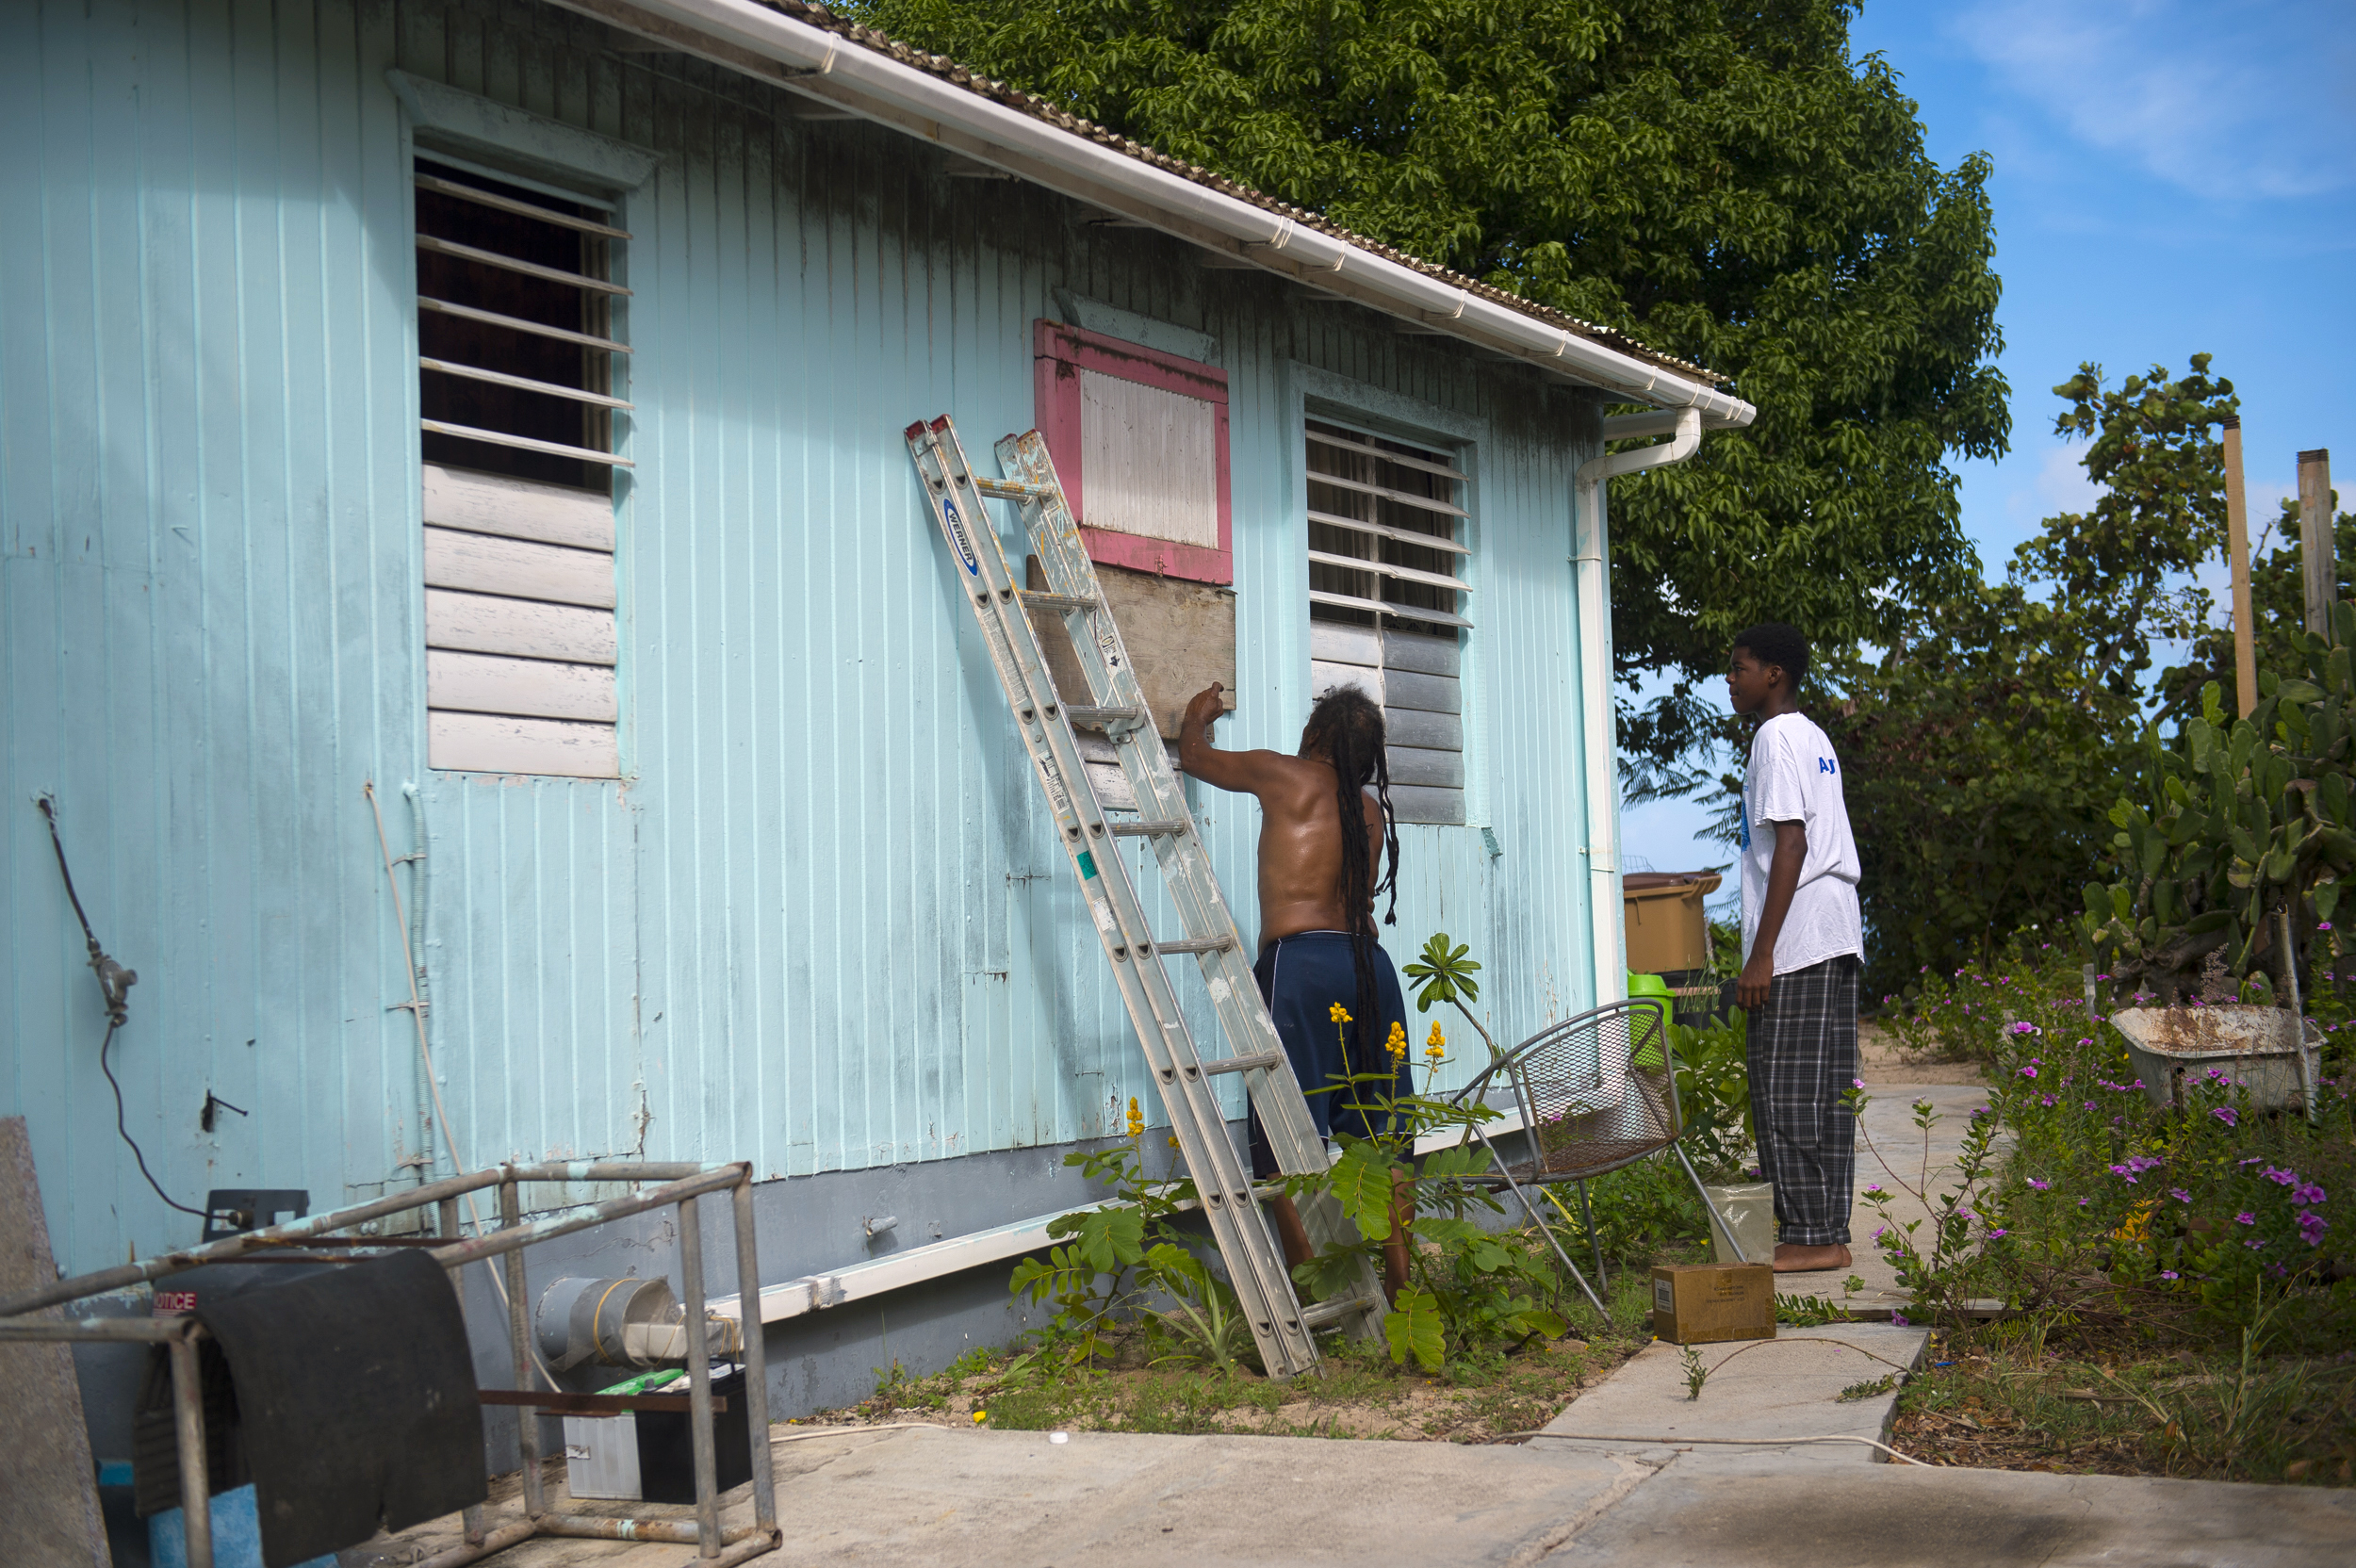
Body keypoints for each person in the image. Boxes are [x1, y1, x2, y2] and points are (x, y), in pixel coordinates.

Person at [1178, 680, 1415, 1301]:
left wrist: (1197, 715)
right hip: (1369, 968)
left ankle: (1310, 1294)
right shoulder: (1369, 809)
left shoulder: (1283, 775)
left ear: (1315, 736)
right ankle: (1402, 1287)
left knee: (1279, 1137)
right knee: (1384, 1135)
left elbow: (1195, 758)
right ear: (1367, 759)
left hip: (1301, 965)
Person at [1726, 623, 1863, 1274]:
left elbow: (1793, 843)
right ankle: (1826, 1231)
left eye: (1740, 668)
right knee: (1827, 1086)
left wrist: (1761, 954)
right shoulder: (1815, 735)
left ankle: (1809, 1235)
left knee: (1784, 1088)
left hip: (1802, 932)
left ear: (1772, 675)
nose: (1732, 679)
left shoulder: (1775, 736)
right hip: (1838, 926)